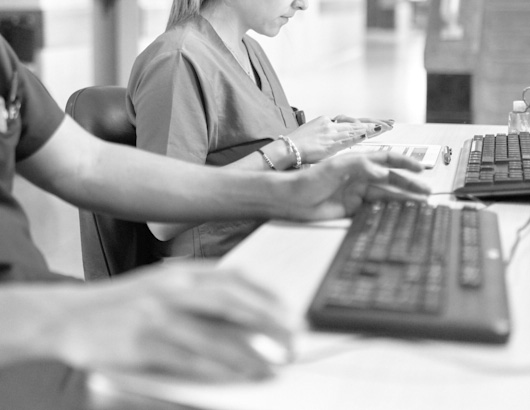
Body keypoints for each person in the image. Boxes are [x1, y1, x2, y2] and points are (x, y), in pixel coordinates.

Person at [0, 34, 429, 381]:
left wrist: (290, 193)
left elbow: (85, 163)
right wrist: (80, 312)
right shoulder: (179, 57)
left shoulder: (5, 65)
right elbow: (161, 224)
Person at [126, 0, 395, 258]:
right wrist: (288, 149)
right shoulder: (178, 61)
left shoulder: (248, 49)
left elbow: (266, 142)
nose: (304, 2)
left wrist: (320, 140)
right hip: (218, 271)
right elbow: (162, 217)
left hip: (271, 238)